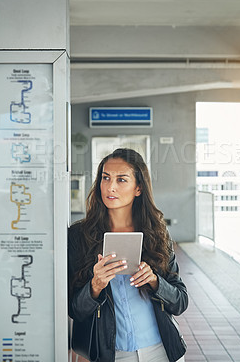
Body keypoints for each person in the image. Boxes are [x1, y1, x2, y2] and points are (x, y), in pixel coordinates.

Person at [68, 148, 188, 362]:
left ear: (138, 188)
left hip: (161, 350)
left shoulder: (157, 234)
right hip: (113, 354)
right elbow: (75, 310)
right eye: (105, 178)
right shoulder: (79, 236)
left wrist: (154, 281)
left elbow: (180, 301)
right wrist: (95, 286)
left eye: (121, 180)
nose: (110, 187)